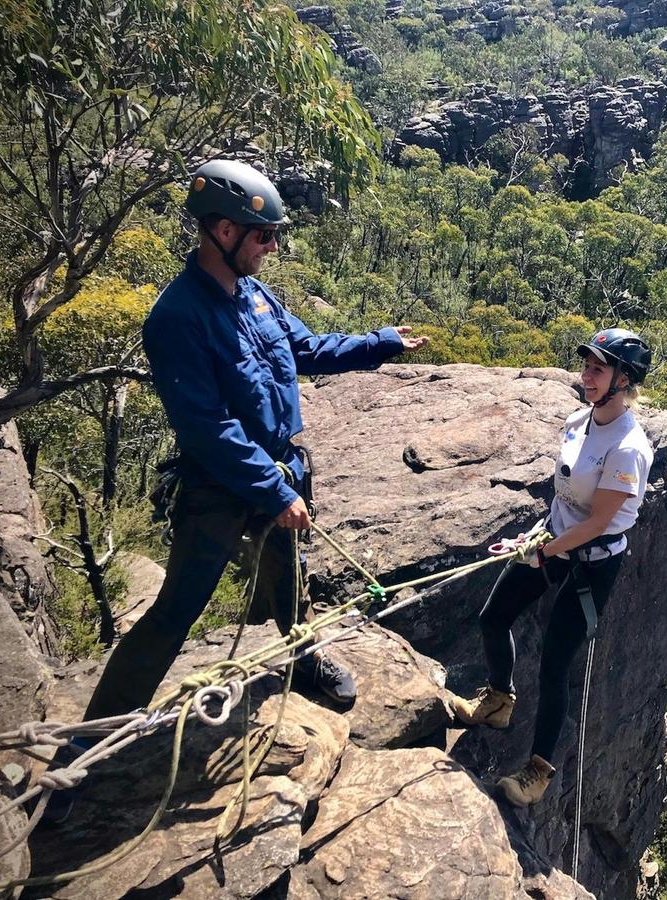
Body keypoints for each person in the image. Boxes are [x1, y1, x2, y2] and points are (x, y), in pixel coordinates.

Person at [44, 159, 428, 824]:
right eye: (262, 236)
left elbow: (303, 349)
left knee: (288, 578)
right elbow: (208, 427)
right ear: (221, 230)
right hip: (222, 488)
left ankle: (301, 657)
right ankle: (85, 747)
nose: (271, 248)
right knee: (174, 611)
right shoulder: (177, 317)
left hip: (278, 472)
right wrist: (271, 489)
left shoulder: (256, 296)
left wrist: (380, 343)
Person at [451, 327, 654, 807]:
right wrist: (537, 535)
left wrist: (546, 550)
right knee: (493, 615)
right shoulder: (578, 421)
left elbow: (600, 521)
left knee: (555, 666)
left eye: (598, 369)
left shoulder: (628, 448)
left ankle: (538, 771)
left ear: (624, 380)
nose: (587, 376)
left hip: (591, 562)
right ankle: (499, 699)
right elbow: (566, 497)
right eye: (587, 366)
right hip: (554, 539)